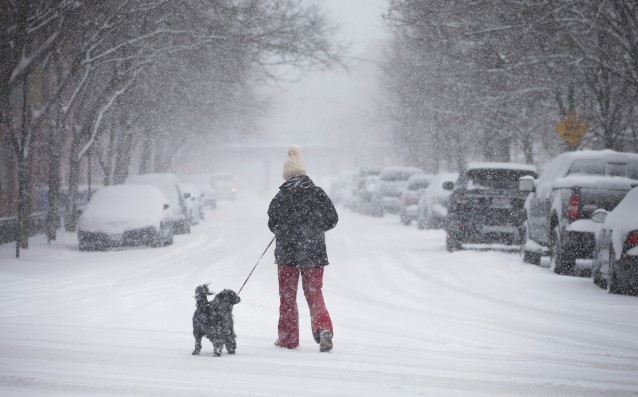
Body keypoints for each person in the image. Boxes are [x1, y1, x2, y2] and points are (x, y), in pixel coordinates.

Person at [267, 145, 339, 352]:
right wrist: (314, 230)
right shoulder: (318, 193)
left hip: (287, 254)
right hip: (313, 253)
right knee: (314, 294)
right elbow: (332, 219)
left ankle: (288, 338)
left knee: (288, 297)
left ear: (287, 175)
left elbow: (272, 224)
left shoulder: (281, 197)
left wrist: (286, 230)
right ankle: (323, 328)